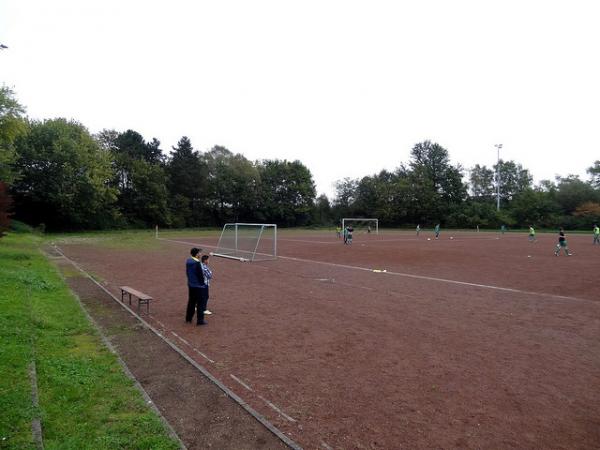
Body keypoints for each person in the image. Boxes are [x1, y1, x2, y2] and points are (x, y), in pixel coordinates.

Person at [185, 247, 208, 325]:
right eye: (199, 252)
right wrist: (202, 284)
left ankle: (188, 318)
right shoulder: (197, 263)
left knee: (191, 302)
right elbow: (200, 275)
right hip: (198, 286)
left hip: (191, 285)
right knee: (200, 304)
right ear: (197, 254)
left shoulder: (188, 261)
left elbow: (187, 273)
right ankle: (200, 320)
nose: (200, 254)